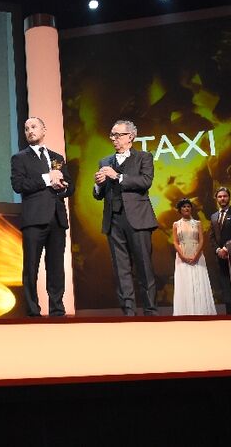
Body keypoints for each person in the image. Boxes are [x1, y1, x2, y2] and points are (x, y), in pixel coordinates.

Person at [10, 117, 75, 317]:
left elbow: (70, 187)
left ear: (44, 130)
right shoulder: (20, 158)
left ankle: (57, 309)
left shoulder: (57, 157)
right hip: (34, 219)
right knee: (31, 266)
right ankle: (32, 311)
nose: (30, 131)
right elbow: (19, 185)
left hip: (56, 218)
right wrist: (47, 179)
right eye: (26, 128)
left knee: (56, 267)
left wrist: (62, 185)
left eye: (34, 127)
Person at [94, 119, 159, 316]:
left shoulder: (143, 157)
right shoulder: (105, 161)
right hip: (114, 220)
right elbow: (99, 194)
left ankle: (150, 310)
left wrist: (118, 177)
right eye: (112, 135)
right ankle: (128, 312)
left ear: (131, 137)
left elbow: (145, 181)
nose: (114, 139)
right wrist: (98, 184)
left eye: (118, 135)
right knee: (121, 269)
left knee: (144, 267)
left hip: (138, 219)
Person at [172, 199, 216, 316]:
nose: (186, 208)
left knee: (198, 282)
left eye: (188, 206)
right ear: (180, 209)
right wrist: (182, 255)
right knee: (185, 282)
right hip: (182, 256)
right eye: (184, 207)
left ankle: (201, 312)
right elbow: (175, 242)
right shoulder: (176, 224)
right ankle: (185, 312)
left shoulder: (197, 223)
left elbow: (201, 240)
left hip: (197, 255)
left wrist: (196, 255)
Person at [208, 186, 231, 314]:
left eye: (225, 196)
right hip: (220, 257)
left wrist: (226, 248)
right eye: (220, 196)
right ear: (216, 199)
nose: (222, 198)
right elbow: (211, 236)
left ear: (229, 197)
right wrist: (218, 250)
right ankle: (230, 313)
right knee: (225, 286)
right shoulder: (213, 216)